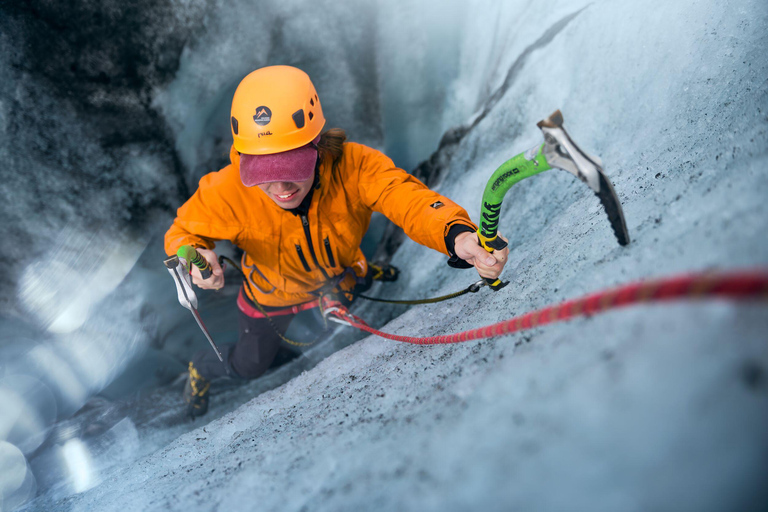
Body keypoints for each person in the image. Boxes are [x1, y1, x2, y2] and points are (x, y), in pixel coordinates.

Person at [165, 65, 509, 418]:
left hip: (336, 277)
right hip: (271, 298)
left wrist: (457, 234)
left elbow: (406, 199)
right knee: (250, 365)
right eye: (266, 174)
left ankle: (364, 270)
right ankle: (201, 368)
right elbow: (181, 234)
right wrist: (194, 257)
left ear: (317, 144)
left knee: (350, 282)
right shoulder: (229, 189)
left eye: (292, 168)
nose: (282, 188)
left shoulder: (353, 167)